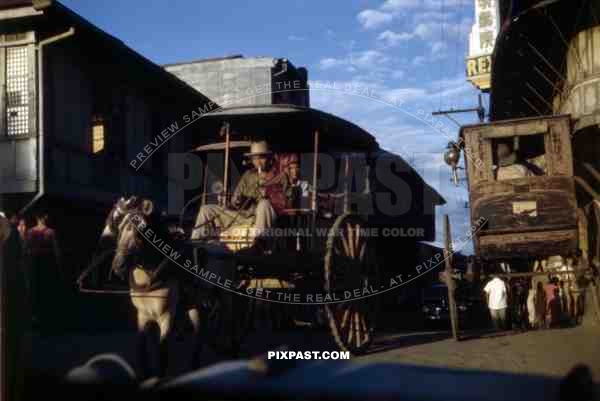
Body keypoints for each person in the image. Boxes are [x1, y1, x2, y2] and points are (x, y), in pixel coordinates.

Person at [192, 141, 288, 242]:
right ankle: (196, 242)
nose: (258, 162)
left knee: (264, 204)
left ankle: (260, 243)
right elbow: (235, 201)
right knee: (206, 210)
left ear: (269, 158)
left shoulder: (280, 176)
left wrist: (270, 194)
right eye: (254, 158)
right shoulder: (248, 175)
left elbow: (286, 203)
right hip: (244, 216)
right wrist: (236, 200)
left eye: (261, 158)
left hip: (263, 219)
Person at [24, 213, 63, 327]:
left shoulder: (31, 232)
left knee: (35, 289)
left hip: (35, 263)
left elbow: (26, 249)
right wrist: (58, 265)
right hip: (46, 263)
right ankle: (44, 316)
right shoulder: (50, 232)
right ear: (45, 218)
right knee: (44, 289)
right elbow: (56, 251)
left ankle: (35, 316)